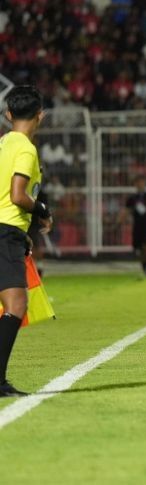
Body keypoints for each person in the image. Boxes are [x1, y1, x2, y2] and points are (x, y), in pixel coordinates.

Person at [0, 85, 53, 396]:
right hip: (6, 230)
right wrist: (43, 210)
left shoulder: (3, 143)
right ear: (40, 116)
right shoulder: (26, 148)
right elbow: (19, 195)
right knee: (16, 303)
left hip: (8, 230)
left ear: (8, 115)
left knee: (12, 303)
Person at [118, 175, 146, 276]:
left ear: (144, 183)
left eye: (141, 182)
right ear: (135, 185)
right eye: (137, 183)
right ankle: (144, 267)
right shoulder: (132, 199)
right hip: (137, 225)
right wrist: (120, 221)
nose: (140, 184)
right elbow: (126, 211)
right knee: (140, 248)